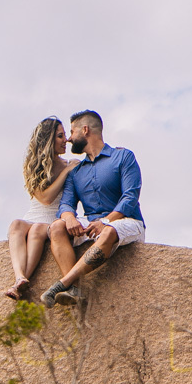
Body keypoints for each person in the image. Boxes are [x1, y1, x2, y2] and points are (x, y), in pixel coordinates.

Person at [39, 110, 145, 307]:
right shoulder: (76, 171)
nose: (69, 139)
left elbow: (130, 196)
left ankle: (62, 284)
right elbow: (66, 204)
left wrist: (106, 221)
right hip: (92, 225)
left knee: (109, 230)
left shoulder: (123, 157)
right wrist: (69, 217)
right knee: (56, 227)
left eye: (72, 132)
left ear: (85, 130)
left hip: (126, 222)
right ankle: (73, 290)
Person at [4, 117, 79, 299]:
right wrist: (65, 172)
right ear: (48, 140)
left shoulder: (70, 164)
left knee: (37, 228)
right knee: (15, 224)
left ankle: (20, 283)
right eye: (60, 136)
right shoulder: (34, 164)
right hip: (35, 214)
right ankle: (20, 276)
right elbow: (45, 198)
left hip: (53, 220)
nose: (66, 140)